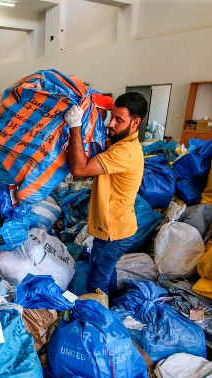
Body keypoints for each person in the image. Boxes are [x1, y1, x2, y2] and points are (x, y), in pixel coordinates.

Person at [64, 92, 148, 295]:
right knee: (104, 273)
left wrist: (75, 126)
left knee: (96, 284)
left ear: (135, 123)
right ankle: (110, 306)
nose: (111, 123)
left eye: (119, 120)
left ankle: (99, 322)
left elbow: (80, 169)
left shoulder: (124, 152)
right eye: (112, 116)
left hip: (114, 233)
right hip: (116, 229)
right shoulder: (120, 143)